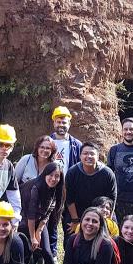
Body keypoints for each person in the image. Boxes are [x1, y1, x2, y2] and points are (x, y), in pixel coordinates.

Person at [19, 162, 64, 264]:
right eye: (51, 175)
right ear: (45, 174)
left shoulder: (56, 190)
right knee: (30, 249)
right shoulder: (35, 188)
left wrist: (39, 231)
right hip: (25, 220)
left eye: (57, 176)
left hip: (39, 221)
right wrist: (33, 237)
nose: (53, 179)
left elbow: (48, 212)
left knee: (47, 251)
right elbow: (30, 215)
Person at [64, 142, 117, 238]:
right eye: (85, 153)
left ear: (98, 156)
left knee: (109, 238)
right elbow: (69, 198)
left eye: (92, 154)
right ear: (80, 156)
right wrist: (76, 220)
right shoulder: (72, 172)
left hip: (101, 210)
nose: (88, 156)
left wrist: (106, 220)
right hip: (77, 211)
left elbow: (112, 198)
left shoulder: (107, 173)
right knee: (71, 236)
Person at [49, 106, 82, 254]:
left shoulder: (77, 145)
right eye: (58, 121)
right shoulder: (47, 143)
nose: (61, 125)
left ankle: (70, 254)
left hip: (70, 189)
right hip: (51, 188)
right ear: (54, 123)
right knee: (51, 222)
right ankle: (52, 254)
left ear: (69, 124)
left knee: (70, 223)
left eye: (64, 122)